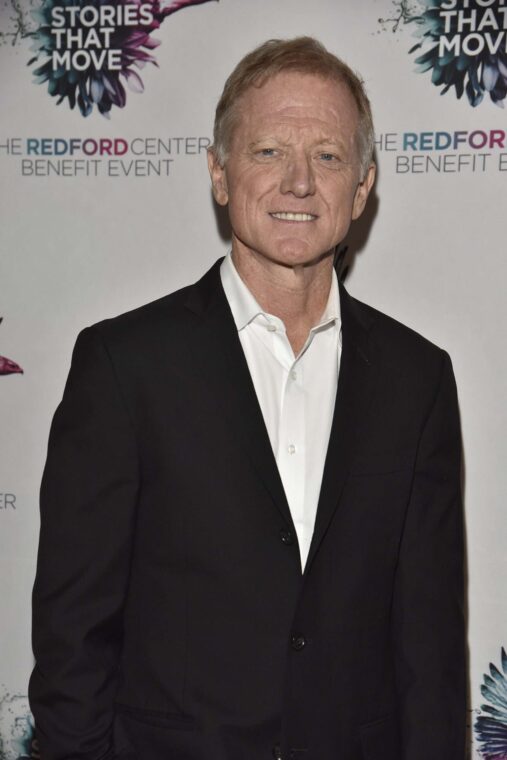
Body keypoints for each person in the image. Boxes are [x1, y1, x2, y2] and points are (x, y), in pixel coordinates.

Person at [29, 37, 466, 760]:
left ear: (360, 189)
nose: (298, 182)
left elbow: (430, 655)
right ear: (219, 173)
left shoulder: (416, 378)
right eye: (267, 151)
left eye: (326, 156)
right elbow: (74, 640)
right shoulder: (124, 365)